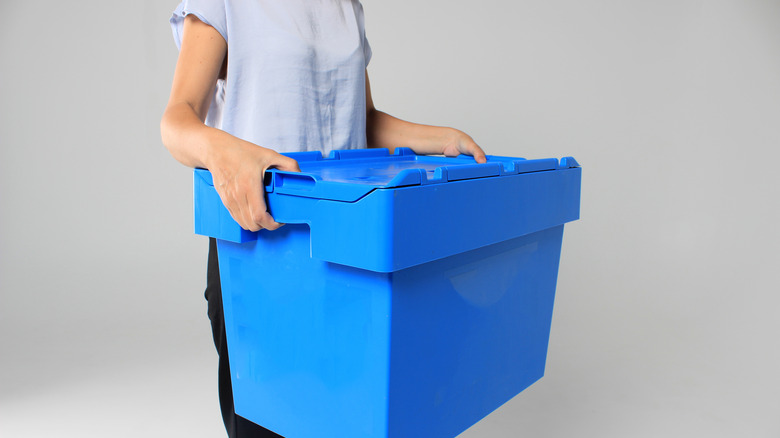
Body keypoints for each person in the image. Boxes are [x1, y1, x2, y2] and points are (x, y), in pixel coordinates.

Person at [160, 1, 486, 437]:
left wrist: (439, 138)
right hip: (258, 248)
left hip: (344, 250)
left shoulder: (346, 7)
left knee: (344, 415)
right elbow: (177, 119)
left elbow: (363, 120)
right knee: (268, 421)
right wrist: (224, 152)